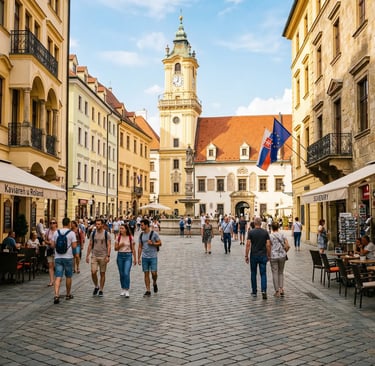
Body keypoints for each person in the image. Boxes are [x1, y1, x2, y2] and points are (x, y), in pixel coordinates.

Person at [51, 217, 77, 304]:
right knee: (68, 276)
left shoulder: (56, 232)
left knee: (58, 276)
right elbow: (74, 246)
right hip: (68, 257)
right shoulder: (72, 233)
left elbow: (52, 245)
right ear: (69, 223)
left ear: (62, 223)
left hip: (58, 257)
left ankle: (56, 295)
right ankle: (68, 294)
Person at [245, 217, 271, 299]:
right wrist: (269, 254)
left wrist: (246, 255)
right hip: (263, 255)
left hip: (254, 255)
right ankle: (264, 290)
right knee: (263, 273)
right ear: (261, 223)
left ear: (254, 223)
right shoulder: (265, 232)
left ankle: (254, 291)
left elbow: (248, 244)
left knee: (253, 273)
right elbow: (268, 244)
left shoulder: (251, 232)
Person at [86, 218, 111, 297]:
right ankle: (96, 286)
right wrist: (87, 255)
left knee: (102, 273)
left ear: (102, 225)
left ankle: (101, 289)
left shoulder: (107, 234)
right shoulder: (93, 233)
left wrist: (108, 255)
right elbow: (90, 244)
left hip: (103, 256)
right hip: (94, 255)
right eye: (96, 224)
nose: (97, 225)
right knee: (93, 272)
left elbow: (109, 245)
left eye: (99, 224)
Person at [138, 218, 161, 297]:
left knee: (154, 273)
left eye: (142, 225)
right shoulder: (141, 235)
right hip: (144, 257)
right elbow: (140, 247)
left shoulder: (154, 233)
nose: (141, 226)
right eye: (140, 225)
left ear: (146, 225)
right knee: (146, 273)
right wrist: (138, 258)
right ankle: (148, 290)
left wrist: (153, 243)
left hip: (153, 256)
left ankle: (154, 282)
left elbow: (160, 243)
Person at [115, 223, 136, 297]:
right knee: (121, 273)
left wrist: (135, 258)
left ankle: (127, 289)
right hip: (120, 256)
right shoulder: (118, 237)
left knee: (126, 273)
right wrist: (120, 245)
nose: (121, 230)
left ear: (126, 229)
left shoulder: (130, 237)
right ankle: (123, 288)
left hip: (128, 255)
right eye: (120, 228)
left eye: (122, 228)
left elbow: (133, 249)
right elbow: (115, 249)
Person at [269, 222, 289, 297]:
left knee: (275, 273)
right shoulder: (282, 235)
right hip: (282, 256)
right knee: (281, 272)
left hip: (273, 256)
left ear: (272, 228)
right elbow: (287, 245)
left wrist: (268, 254)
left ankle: (277, 291)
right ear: (278, 227)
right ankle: (281, 289)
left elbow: (268, 245)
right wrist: (284, 252)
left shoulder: (270, 236)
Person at [44, 219, 58, 287]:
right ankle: (51, 281)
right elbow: (45, 240)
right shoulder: (48, 231)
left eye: (53, 222)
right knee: (50, 265)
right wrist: (49, 242)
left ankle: (57, 280)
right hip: (49, 249)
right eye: (51, 223)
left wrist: (55, 243)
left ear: (56, 224)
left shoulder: (58, 231)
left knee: (56, 265)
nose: (52, 224)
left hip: (57, 250)